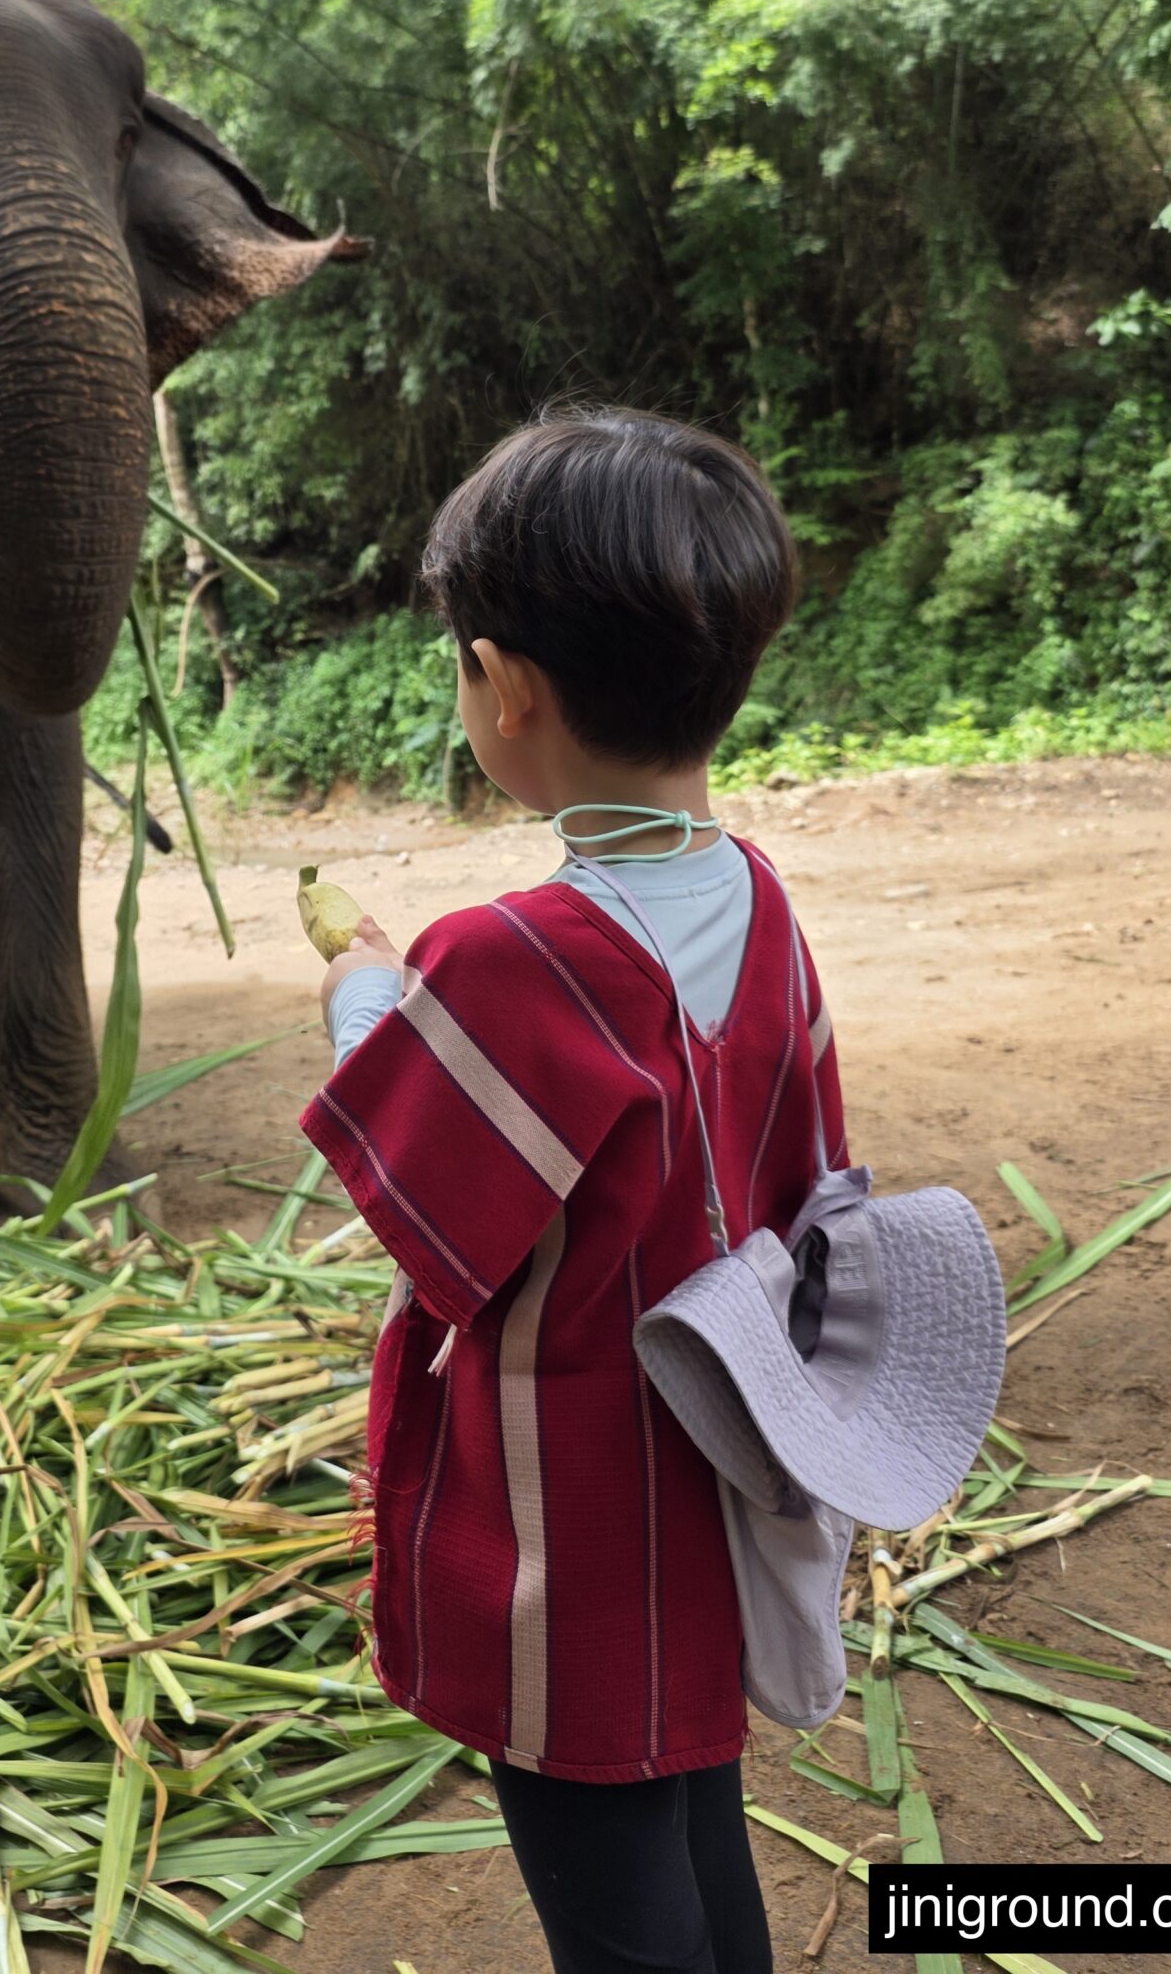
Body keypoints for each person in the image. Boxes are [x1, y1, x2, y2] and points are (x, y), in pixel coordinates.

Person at [299, 405, 847, 1974]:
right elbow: (799, 1169)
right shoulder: (760, 899)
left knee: (609, 1888)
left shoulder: (512, 953)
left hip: (567, 1526)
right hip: (720, 1460)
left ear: (507, 689)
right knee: (694, 1819)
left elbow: (426, 1214)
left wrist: (363, 994)